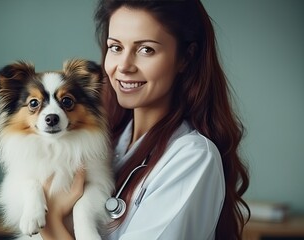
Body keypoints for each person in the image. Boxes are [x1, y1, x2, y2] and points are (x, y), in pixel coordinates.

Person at [40, 0, 250, 239]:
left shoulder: (192, 158)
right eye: (116, 47)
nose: (124, 66)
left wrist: (50, 223)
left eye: (146, 49)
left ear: (186, 58)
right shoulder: (106, 141)